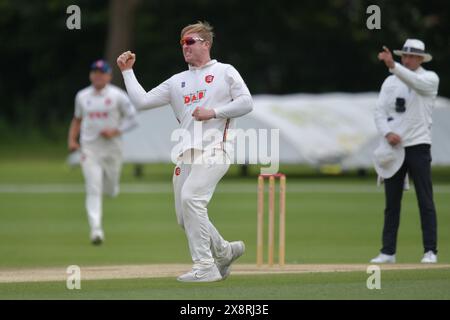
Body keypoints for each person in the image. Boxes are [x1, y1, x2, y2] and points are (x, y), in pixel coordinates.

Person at [116, 21, 253, 282]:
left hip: (216, 148)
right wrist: (127, 72)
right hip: (186, 154)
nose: (185, 47)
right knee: (184, 217)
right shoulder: (177, 81)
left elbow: (246, 102)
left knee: (192, 199)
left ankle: (205, 267)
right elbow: (141, 101)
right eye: (182, 44)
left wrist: (214, 112)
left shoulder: (225, 71)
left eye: (190, 42)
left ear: (206, 43)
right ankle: (224, 252)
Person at [371, 39, 439, 264]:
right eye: (405, 56)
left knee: (425, 200)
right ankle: (388, 251)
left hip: (418, 145)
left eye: (412, 57)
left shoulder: (430, 79)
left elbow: (415, 83)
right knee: (392, 203)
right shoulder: (390, 82)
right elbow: (379, 111)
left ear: (421, 59)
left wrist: (393, 66)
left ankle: (430, 251)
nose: (407, 60)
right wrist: (387, 132)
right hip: (394, 147)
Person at [68, 59, 138, 245]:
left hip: (112, 149)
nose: (98, 75)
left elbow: (133, 120)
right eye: (94, 72)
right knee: (93, 188)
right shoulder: (82, 96)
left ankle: (112, 189)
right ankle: (96, 230)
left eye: (102, 72)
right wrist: (72, 140)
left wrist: (115, 131)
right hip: (90, 148)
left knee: (111, 189)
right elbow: (77, 119)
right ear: (91, 75)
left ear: (108, 75)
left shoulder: (118, 96)